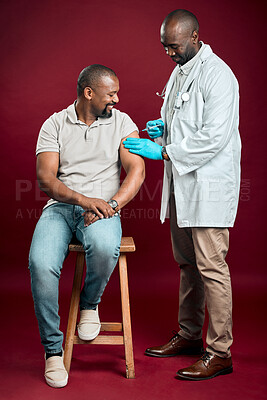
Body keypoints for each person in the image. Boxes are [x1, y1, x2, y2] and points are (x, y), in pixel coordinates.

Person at [124, 9, 241, 381]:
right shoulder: (180, 70)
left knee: (211, 268)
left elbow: (213, 137)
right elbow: (182, 125)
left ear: (193, 37)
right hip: (182, 186)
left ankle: (220, 352)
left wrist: (165, 151)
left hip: (208, 188)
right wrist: (162, 132)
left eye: (173, 46)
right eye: (164, 47)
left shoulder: (219, 75)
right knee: (188, 265)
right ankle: (190, 335)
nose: (168, 54)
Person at [29, 64, 145, 388]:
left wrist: (111, 205)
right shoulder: (54, 124)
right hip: (62, 208)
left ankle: (89, 303)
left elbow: (137, 171)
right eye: (111, 94)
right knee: (40, 263)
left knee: (106, 246)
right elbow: (46, 179)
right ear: (88, 93)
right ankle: (53, 351)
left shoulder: (123, 123)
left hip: (104, 210)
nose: (117, 100)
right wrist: (83, 201)